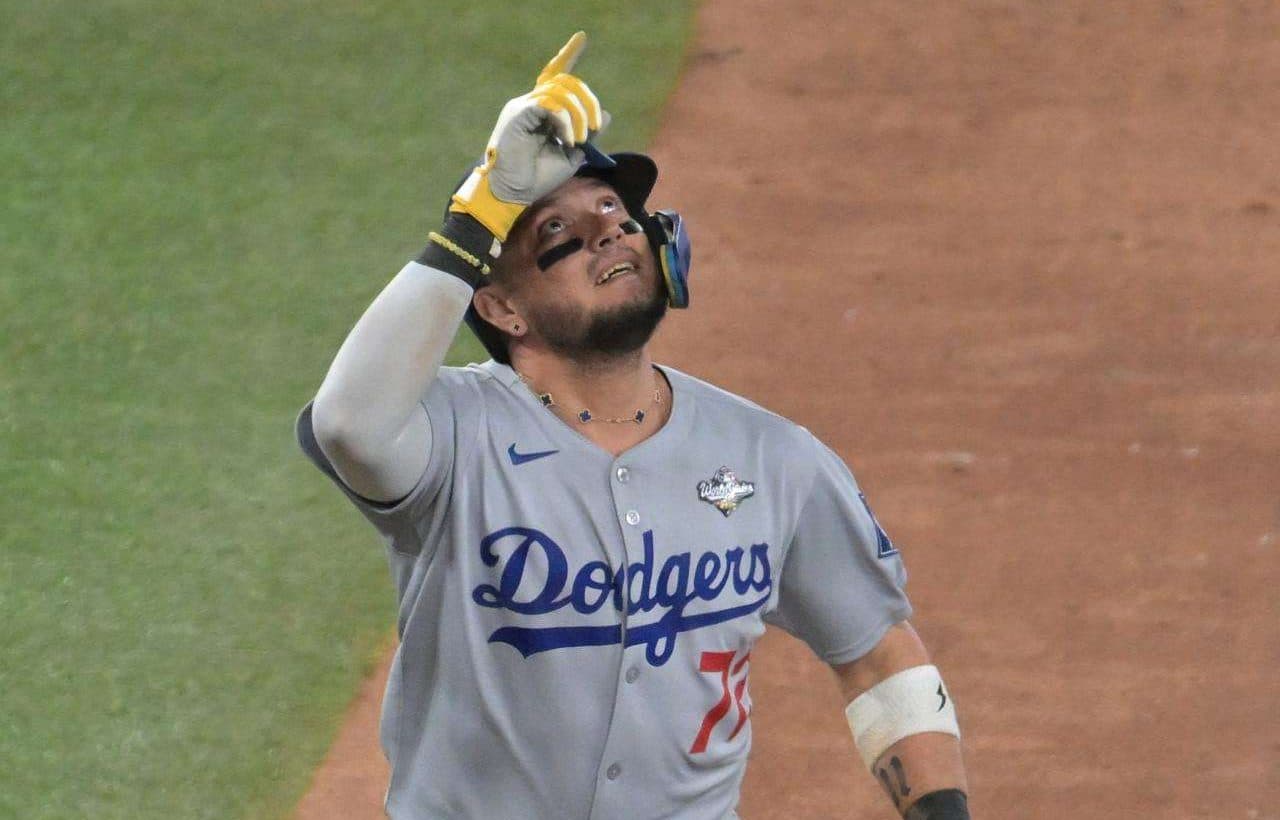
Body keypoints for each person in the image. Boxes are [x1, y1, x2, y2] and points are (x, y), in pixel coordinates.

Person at [297, 32, 970, 820]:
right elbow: (346, 423)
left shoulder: (770, 456)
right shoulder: (453, 436)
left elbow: (879, 653)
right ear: (500, 306)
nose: (608, 232)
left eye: (614, 214)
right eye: (557, 233)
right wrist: (480, 212)